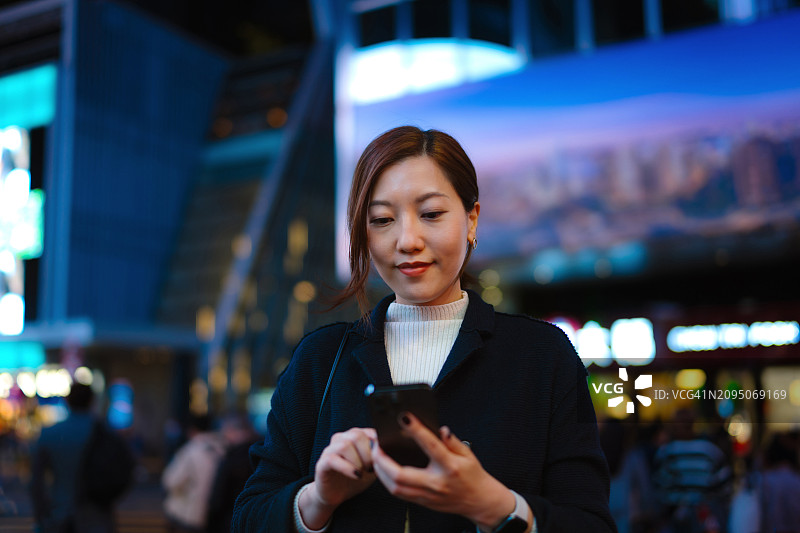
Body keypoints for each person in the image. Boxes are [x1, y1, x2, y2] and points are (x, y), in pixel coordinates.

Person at [232, 126, 616, 532]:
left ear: (471, 219)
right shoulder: (319, 359)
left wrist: (495, 506)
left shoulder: (542, 355)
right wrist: (317, 499)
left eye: (431, 214)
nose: (407, 240)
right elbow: (247, 517)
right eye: (382, 219)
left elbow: (591, 522)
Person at [30, 383, 117, 533]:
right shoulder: (106, 434)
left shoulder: (50, 434)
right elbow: (123, 471)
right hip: (96, 517)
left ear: (67, 401)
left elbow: (36, 483)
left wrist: (41, 516)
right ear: (92, 401)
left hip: (59, 514)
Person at [162, 413, 226, 533]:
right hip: (215, 515)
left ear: (192, 430)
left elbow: (171, 481)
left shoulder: (190, 450)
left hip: (189, 515)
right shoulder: (223, 448)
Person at [207, 413, 262, 533]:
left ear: (233, 431)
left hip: (230, 521)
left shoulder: (231, 459)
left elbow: (218, 499)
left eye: (225, 431)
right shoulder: (262, 455)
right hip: (256, 520)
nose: (224, 435)